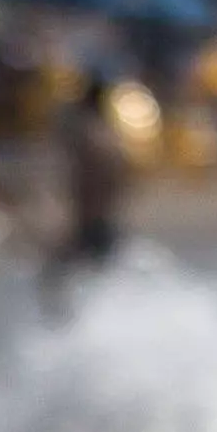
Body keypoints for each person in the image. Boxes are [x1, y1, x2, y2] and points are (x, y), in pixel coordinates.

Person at [40, 72, 133, 309]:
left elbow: (85, 182)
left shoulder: (89, 137)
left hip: (90, 222)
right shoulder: (111, 138)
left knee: (58, 278)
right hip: (105, 220)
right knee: (97, 280)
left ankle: (66, 329)